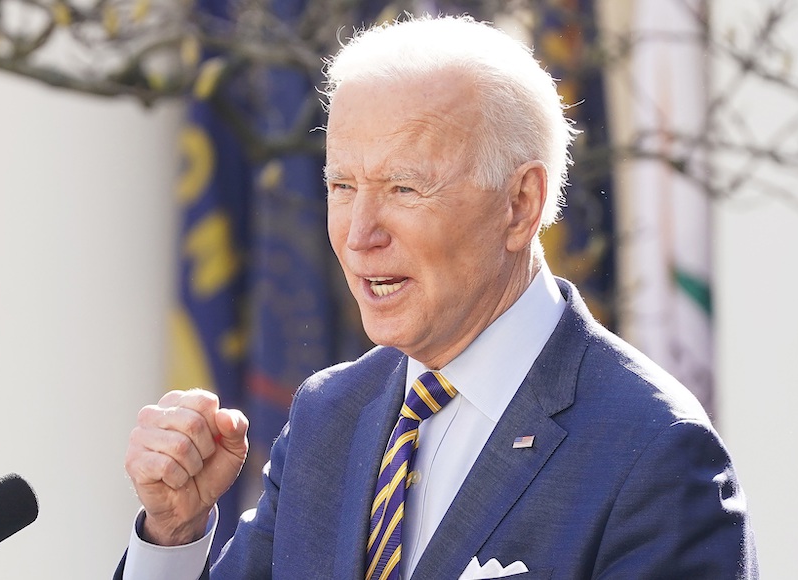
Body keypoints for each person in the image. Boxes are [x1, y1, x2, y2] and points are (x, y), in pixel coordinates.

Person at [117, 14, 757, 579]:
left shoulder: (654, 452)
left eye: (404, 188)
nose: (360, 235)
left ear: (520, 204)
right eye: (342, 187)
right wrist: (173, 532)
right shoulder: (327, 414)